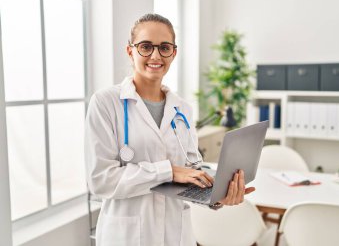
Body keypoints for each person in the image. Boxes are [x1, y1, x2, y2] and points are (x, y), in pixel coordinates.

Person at [85, 13, 255, 246]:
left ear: (173, 53)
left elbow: (191, 170)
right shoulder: (105, 103)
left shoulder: (182, 109)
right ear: (130, 51)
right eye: (145, 46)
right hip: (127, 236)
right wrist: (168, 171)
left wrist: (215, 196)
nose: (155, 55)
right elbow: (101, 180)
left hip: (176, 234)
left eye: (164, 47)